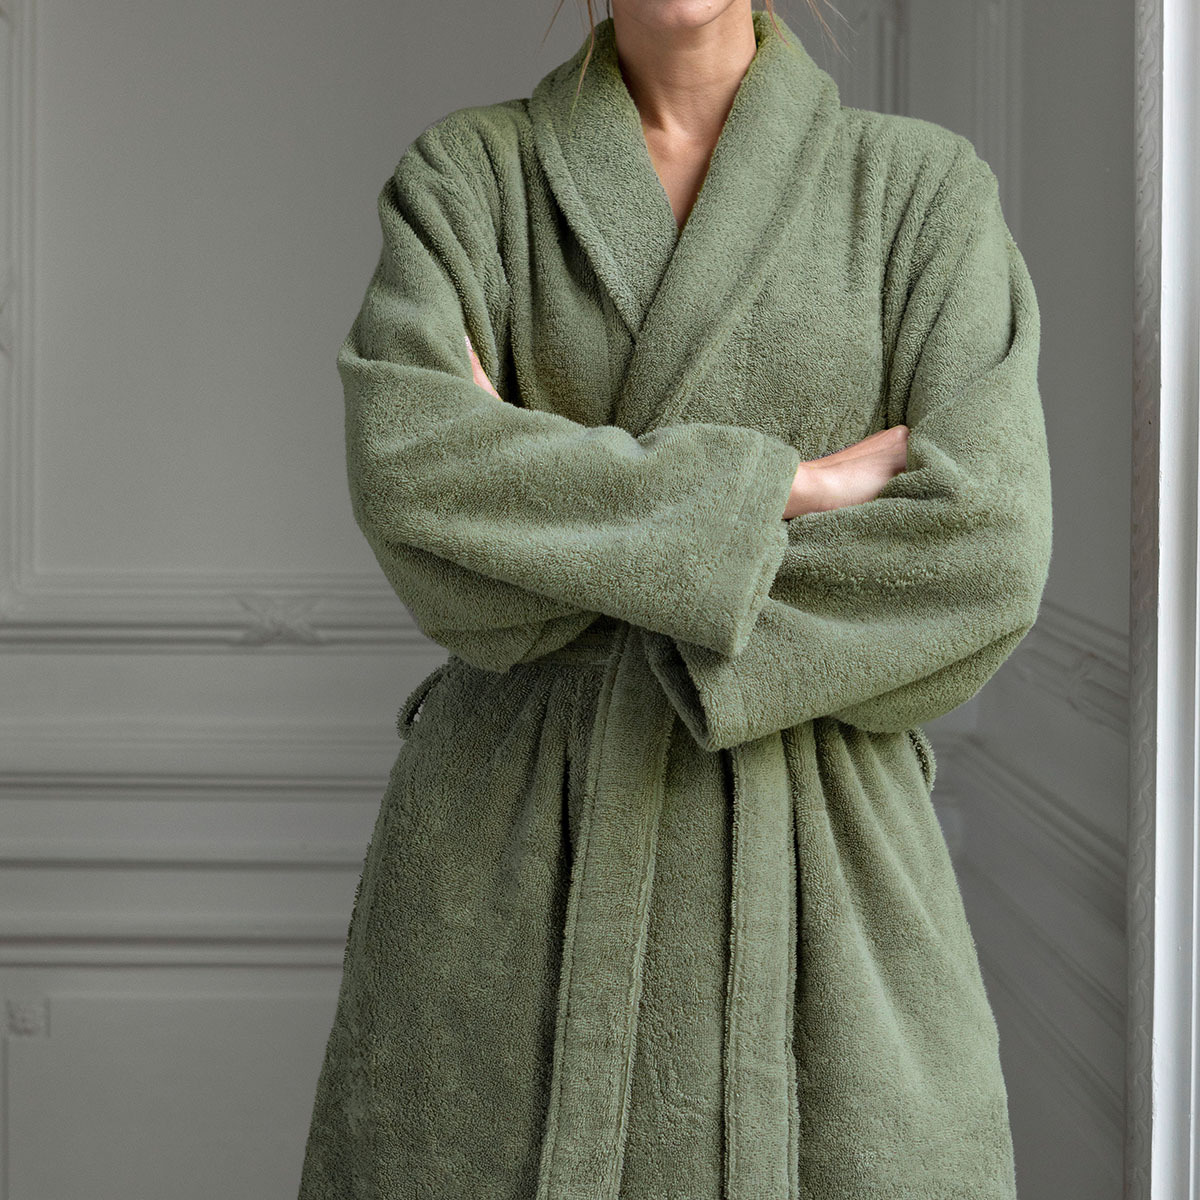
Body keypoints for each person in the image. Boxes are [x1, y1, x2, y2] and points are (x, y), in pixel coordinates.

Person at [297, 2, 1053, 1198]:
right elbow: (413, 476)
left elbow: (983, 552)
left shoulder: (918, 192)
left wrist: (549, 510)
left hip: (824, 864)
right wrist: (791, 489)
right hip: (510, 863)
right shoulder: (471, 179)